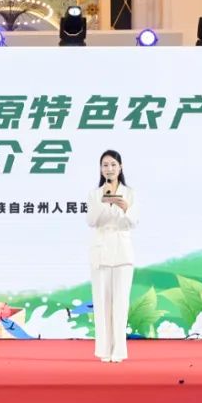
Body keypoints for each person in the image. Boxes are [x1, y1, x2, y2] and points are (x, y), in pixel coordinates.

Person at [86, 150, 138, 363]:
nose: (109, 168)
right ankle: (104, 350)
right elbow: (91, 221)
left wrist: (125, 208)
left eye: (113, 165)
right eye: (105, 165)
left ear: (120, 167)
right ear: (101, 169)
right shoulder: (94, 194)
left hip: (123, 253)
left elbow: (133, 222)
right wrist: (104, 200)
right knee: (102, 303)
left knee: (120, 303)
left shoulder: (130, 193)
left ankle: (119, 350)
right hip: (101, 253)